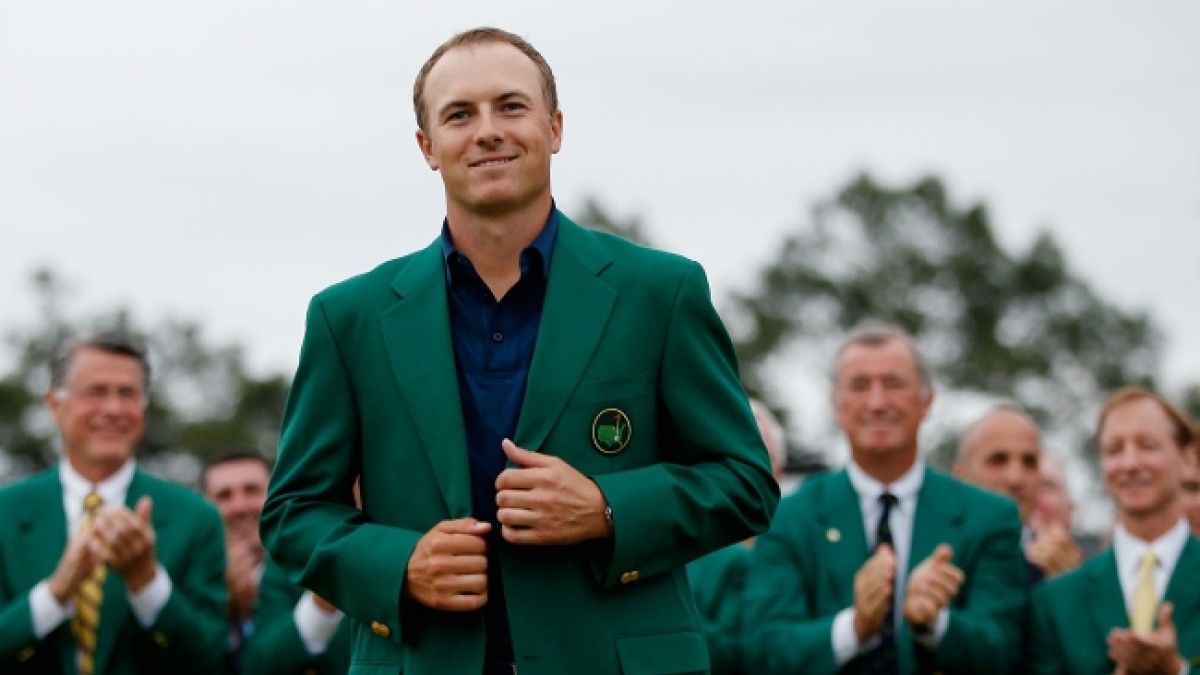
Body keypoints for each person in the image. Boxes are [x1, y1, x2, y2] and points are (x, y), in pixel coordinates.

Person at [260, 26, 779, 675]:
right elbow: (293, 513)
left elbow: (745, 481)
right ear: (427, 146)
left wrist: (607, 508)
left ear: (554, 128)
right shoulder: (348, 318)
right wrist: (400, 565)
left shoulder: (661, 292)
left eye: (510, 106)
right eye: (459, 114)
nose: (487, 131)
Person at [744, 322, 1026, 674]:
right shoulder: (789, 518)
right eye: (860, 386)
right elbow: (763, 651)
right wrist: (854, 628)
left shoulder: (990, 517)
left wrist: (934, 624)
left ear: (927, 399)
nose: (877, 403)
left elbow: (1005, 649)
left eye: (894, 384)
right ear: (836, 405)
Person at [0, 332, 227, 674]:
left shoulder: (196, 519)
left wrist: (148, 584)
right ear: (55, 405)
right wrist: (55, 593)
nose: (114, 409)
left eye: (128, 393)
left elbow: (211, 659)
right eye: (96, 392)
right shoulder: (6, 512)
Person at [1031, 387, 1200, 674]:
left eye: (1147, 446)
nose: (1130, 463)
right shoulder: (1055, 601)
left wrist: (1177, 671)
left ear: (1187, 459)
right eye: (1114, 450)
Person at [200, 450, 349, 674]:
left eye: (252, 490)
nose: (240, 506)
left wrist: (322, 601)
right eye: (224, 496)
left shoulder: (314, 564)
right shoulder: (197, 580)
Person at [687, 399, 789, 675]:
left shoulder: (795, 551)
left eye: (757, 460)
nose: (741, 476)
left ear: (778, 471)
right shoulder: (678, 550)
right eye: (726, 460)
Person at [954, 407, 1081, 582]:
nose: (1016, 478)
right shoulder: (929, 554)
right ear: (960, 475)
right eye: (998, 460)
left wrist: (1070, 588)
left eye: (1029, 462)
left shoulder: (1061, 569)